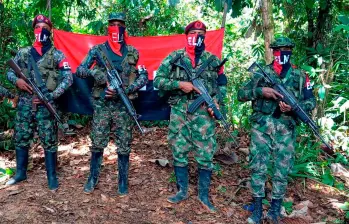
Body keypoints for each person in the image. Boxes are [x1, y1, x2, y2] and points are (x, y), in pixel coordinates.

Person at [238, 37, 316, 223]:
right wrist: (260, 92)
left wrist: (295, 107)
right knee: (258, 167)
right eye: (279, 49)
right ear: (273, 52)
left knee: (282, 171)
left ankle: (274, 211)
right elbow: (241, 94)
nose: (283, 53)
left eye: (287, 49)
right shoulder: (261, 73)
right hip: (262, 127)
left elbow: (311, 101)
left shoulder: (301, 76)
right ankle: (257, 210)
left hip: (286, 129)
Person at [154, 20, 228, 212]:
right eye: (193, 32)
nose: (197, 35)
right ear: (187, 35)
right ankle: (182, 191)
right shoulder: (174, 57)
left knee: (206, 154)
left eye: (201, 33)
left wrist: (217, 102)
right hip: (179, 111)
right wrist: (180, 85)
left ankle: (203, 195)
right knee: (179, 150)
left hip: (204, 113)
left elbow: (222, 85)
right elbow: (158, 81)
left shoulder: (213, 61)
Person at [76, 12, 148, 195]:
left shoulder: (133, 52)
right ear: (108, 28)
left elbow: (144, 77)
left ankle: (123, 181)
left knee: (124, 143)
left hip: (124, 106)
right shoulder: (97, 51)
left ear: (125, 28)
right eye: (113, 24)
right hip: (102, 104)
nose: (116, 27)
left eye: (120, 24)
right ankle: (92, 177)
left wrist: (126, 90)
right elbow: (80, 70)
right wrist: (98, 76)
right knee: (98, 142)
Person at [6, 14, 73, 191]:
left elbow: (68, 78)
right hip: (25, 105)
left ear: (50, 31)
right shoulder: (24, 52)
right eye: (37, 27)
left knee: (49, 140)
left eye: (44, 27)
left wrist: (52, 95)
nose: (40, 30)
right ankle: (20, 173)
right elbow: (9, 73)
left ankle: (52, 176)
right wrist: (17, 81)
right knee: (21, 137)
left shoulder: (57, 55)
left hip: (46, 104)